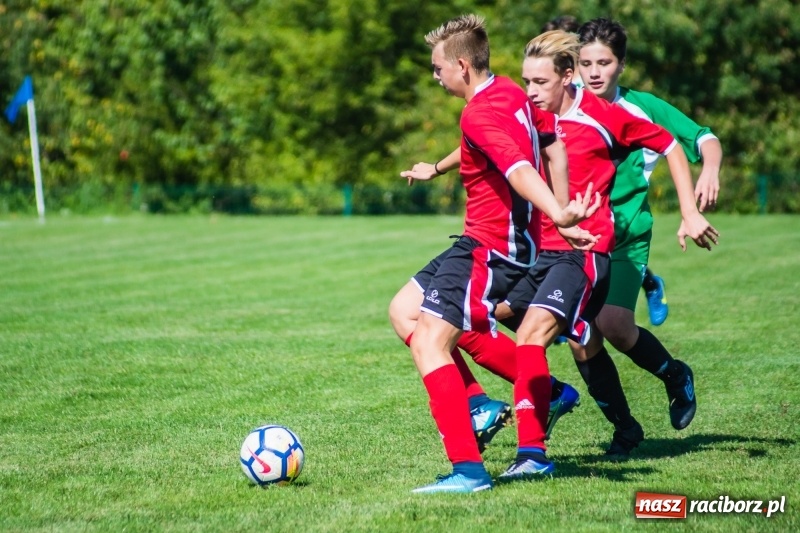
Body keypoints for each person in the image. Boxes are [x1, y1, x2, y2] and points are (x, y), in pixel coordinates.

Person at [446, 29, 714, 479]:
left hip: (585, 251)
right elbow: (489, 140)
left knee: (580, 330)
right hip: (534, 253)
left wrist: (688, 211)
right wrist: (436, 167)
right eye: (525, 81)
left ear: (566, 77)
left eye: (539, 82)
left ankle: (535, 451)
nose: (529, 92)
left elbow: (669, 143)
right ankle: (615, 424)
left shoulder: (604, 117)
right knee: (472, 320)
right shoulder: (531, 113)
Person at [390, 14, 600, 494]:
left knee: (430, 342)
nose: (435, 76)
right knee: (403, 310)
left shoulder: (479, 113)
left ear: (461, 66)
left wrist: (559, 214)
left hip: (492, 248)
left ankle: (467, 470)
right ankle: (512, 400)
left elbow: (521, 168)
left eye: (438, 68)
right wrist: (439, 168)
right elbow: (543, 142)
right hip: (479, 241)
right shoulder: (505, 92)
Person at [568, 17, 722, 456]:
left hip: (625, 236)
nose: (595, 72)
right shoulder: (564, 106)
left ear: (622, 65)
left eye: (605, 62)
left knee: (613, 325)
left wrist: (705, 175)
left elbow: (703, 138)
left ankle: (674, 375)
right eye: (586, 63)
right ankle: (625, 430)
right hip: (575, 238)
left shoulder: (641, 107)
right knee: (582, 336)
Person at [541, 15, 671, 329]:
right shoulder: (553, 94)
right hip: (578, 209)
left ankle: (647, 281)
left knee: (612, 321)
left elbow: (679, 141)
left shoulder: (623, 108)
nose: (593, 71)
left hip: (615, 212)